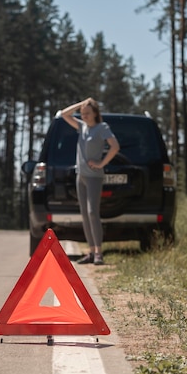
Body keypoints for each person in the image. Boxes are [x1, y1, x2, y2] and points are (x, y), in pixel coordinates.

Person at [60, 98, 120, 265]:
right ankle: (91, 252)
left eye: (87, 113)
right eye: (82, 113)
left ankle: (99, 253)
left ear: (95, 113)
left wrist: (101, 163)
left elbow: (115, 147)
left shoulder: (102, 128)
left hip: (94, 177)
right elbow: (64, 114)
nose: (84, 115)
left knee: (93, 212)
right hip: (81, 176)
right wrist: (80, 104)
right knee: (85, 215)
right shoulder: (81, 126)